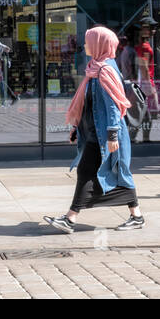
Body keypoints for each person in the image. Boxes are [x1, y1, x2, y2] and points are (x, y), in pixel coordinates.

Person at [42, 26, 145, 233]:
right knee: (108, 172)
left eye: (89, 41)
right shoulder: (95, 67)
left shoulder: (105, 71)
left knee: (92, 171)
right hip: (94, 132)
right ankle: (137, 215)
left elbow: (114, 106)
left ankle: (70, 218)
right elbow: (89, 104)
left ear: (100, 44)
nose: (85, 45)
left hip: (104, 134)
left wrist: (112, 134)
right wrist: (76, 127)